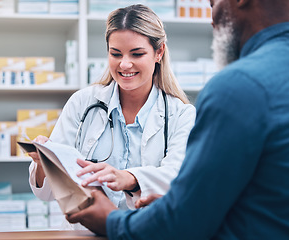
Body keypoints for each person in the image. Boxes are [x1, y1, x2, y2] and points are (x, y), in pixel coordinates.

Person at [65, 0, 289, 239]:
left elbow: (186, 220)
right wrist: (173, 203)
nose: (213, 18)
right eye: (116, 53)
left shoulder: (239, 86)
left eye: (214, 3)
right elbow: (268, 197)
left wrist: (110, 220)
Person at [28, 4, 196, 230]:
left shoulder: (181, 115)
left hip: (148, 233)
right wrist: (44, 164)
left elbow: (178, 179)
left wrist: (128, 178)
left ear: (159, 52)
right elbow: (48, 194)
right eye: (115, 53)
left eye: (137, 54)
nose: (124, 64)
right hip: (85, 234)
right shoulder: (82, 103)